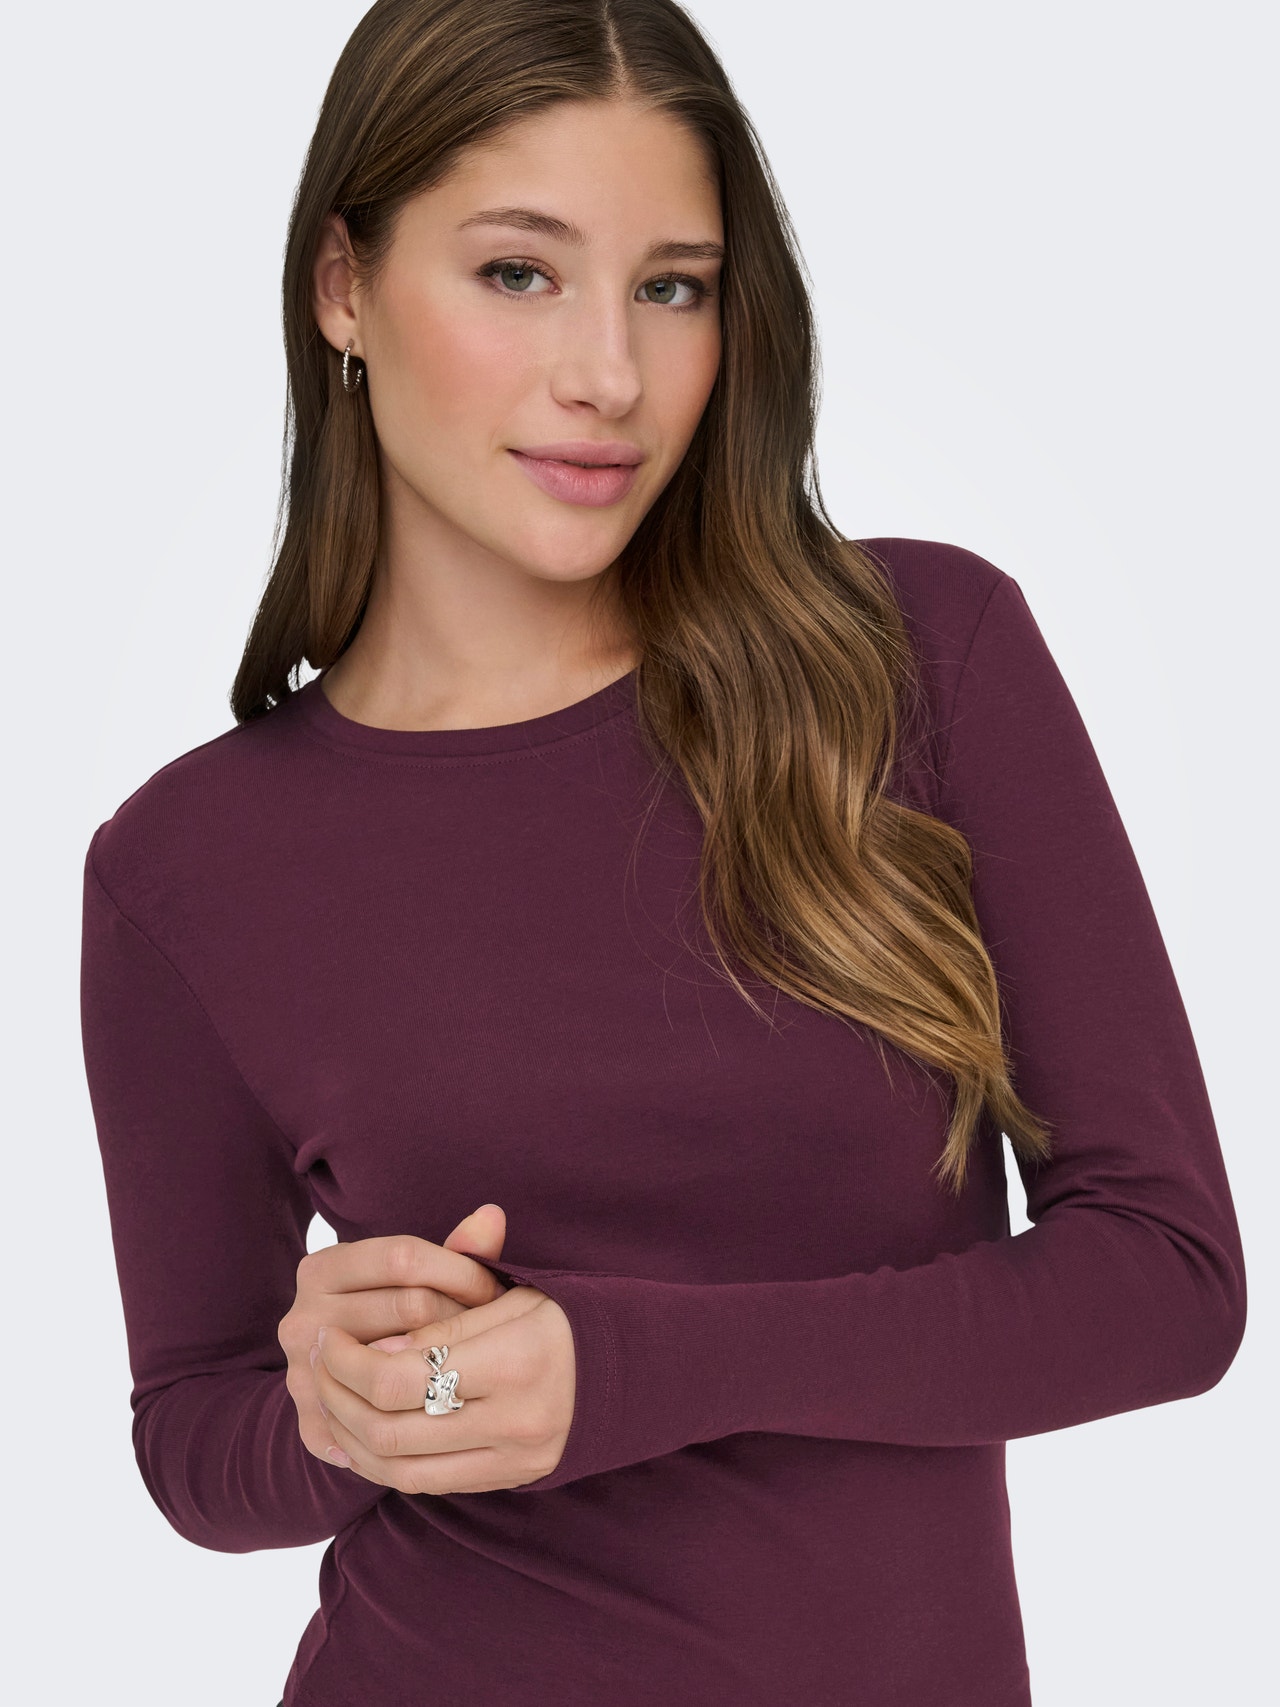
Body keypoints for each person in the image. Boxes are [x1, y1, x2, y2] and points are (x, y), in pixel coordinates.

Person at [77, 1, 1247, 1703]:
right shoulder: (189, 864)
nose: (610, 375)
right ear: (343, 288)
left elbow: (1166, 1281)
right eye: (519, 273)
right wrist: (340, 1415)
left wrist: (628, 1367)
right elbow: (196, 1439)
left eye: (674, 287)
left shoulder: (915, 662)